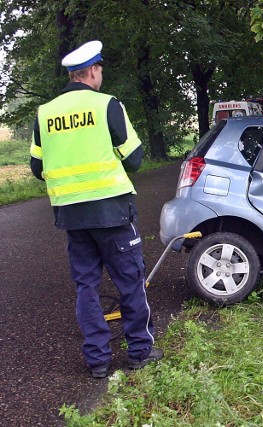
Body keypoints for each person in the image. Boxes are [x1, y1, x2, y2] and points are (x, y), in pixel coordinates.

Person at [30, 40, 163, 379]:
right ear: (90, 71)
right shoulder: (107, 106)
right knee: (130, 282)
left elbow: (36, 166)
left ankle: (98, 361)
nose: (101, 74)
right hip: (112, 211)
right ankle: (139, 352)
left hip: (72, 216)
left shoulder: (45, 113)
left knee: (86, 286)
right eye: (100, 69)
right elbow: (134, 160)